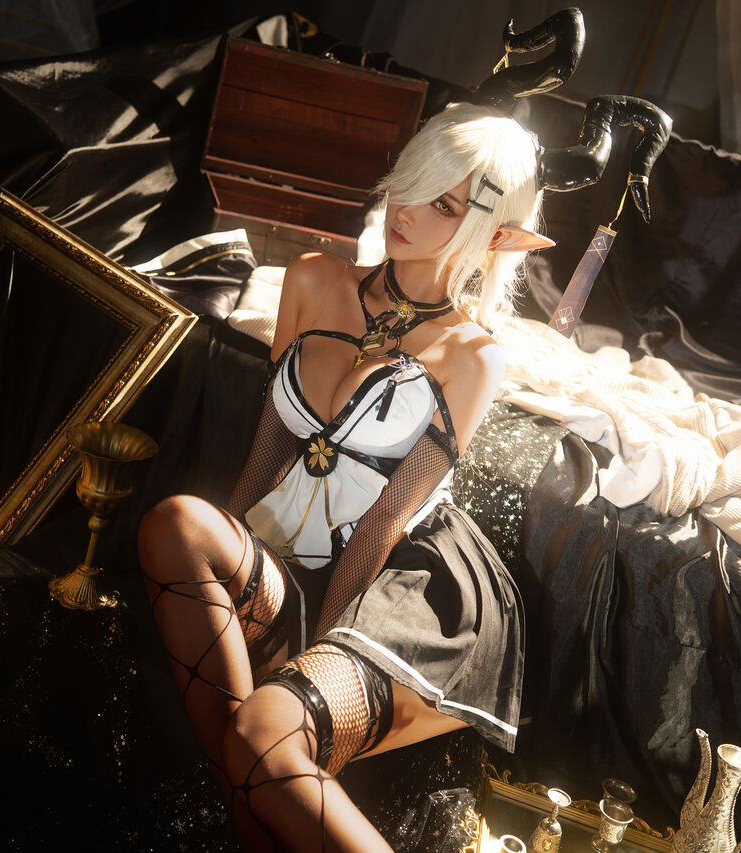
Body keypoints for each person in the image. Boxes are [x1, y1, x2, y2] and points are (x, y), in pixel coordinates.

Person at [136, 101, 552, 851]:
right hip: (296, 542)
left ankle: (254, 799)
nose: (408, 209)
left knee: (265, 733)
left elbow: (384, 521)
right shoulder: (313, 279)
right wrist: (238, 573)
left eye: (445, 204)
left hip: (404, 582)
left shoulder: (473, 355)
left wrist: (308, 658)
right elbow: (268, 451)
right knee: (178, 524)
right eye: (412, 182)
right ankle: (254, 812)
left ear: (495, 236)